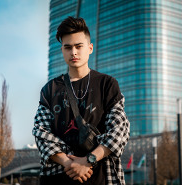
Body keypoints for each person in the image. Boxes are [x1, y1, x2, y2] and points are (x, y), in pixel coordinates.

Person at [32, 16, 130, 185]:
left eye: (79, 46)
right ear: (62, 50)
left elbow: (119, 129)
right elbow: (41, 133)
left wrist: (88, 160)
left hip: (100, 176)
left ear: (90, 48)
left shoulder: (106, 84)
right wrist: (69, 163)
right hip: (58, 176)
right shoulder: (50, 89)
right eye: (68, 47)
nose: (74, 52)